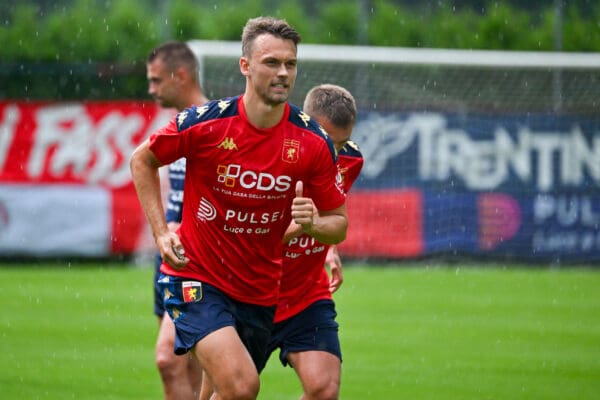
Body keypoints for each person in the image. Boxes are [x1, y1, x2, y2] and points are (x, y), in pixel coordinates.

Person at [130, 16, 348, 400]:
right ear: (245, 66)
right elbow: (142, 160)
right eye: (271, 62)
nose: (283, 73)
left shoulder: (313, 141)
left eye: (290, 64)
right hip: (196, 276)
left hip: (259, 290)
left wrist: (314, 224)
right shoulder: (207, 123)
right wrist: (161, 233)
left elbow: (339, 224)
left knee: (228, 393)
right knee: (243, 386)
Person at [268, 84, 364, 400]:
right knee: (230, 392)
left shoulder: (350, 160)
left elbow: (330, 211)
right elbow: (243, 238)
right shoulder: (270, 156)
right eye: (326, 142)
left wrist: (328, 247)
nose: (332, 154)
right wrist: (294, 229)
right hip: (249, 293)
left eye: (340, 143)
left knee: (324, 390)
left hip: (305, 295)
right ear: (304, 123)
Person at [146, 41, 209, 400]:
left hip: (194, 261)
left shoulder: (213, 125)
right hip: (168, 257)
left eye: (156, 80)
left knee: (168, 360)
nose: (151, 89)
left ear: (180, 75)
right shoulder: (178, 125)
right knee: (188, 365)